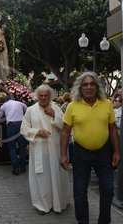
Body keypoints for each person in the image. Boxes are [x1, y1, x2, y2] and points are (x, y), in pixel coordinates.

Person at [60, 72, 120, 224]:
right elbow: (66, 131)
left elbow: (113, 129)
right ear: (80, 88)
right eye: (85, 84)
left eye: (92, 84)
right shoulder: (72, 106)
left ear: (97, 87)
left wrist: (117, 152)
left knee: (108, 189)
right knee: (79, 191)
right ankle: (83, 221)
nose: (89, 87)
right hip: (80, 152)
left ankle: (104, 221)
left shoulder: (106, 103)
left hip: (104, 153)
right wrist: (63, 155)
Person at [20, 84, 70, 214]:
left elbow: (65, 127)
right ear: (37, 96)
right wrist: (37, 132)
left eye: (45, 95)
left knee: (57, 176)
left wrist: (54, 115)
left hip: (56, 150)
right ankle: (42, 205)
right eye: (40, 95)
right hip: (38, 150)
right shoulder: (30, 110)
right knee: (41, 178)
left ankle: (59, 203)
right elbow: (23, 129)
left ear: (50, 96)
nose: (43, 98)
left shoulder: (56, 108)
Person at [0, 96, 28, 175]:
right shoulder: (20, 103)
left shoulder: (4, 105)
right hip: (21, 124)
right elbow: (27, 111)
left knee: (12, 147)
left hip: (11, 126)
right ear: (13, 99)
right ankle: (23, 167)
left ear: (5, 100)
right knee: (22, 147)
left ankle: (16, 168)